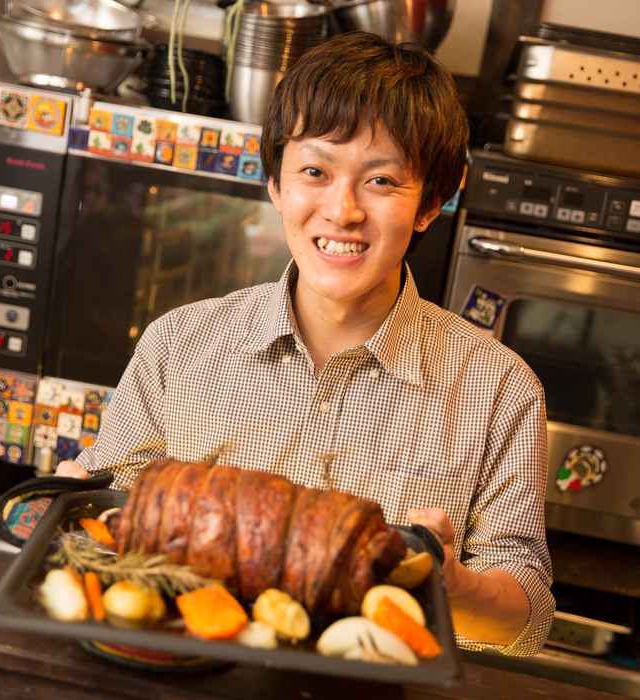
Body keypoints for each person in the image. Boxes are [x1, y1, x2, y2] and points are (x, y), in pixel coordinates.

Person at [57, 31, 555, 656]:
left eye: (381, 181)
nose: (342, 211)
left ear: (429, 204)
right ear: (276, 185)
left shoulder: (501, 390)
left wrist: (452, 586)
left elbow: (527, 623)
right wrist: (71, 514)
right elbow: (112, 529)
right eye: (315, 171)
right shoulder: (176, 347)